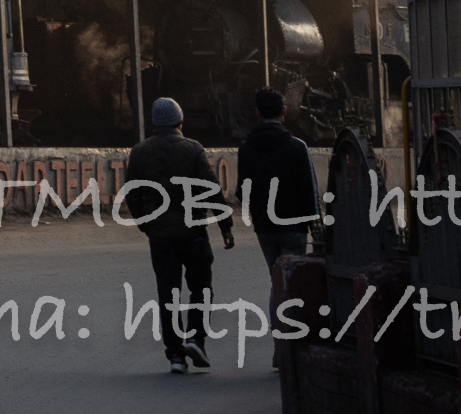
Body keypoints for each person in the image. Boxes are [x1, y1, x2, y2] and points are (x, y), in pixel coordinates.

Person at [126, 95, 228, 371]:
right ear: (180, 121)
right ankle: (196, 338)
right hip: (193, 232)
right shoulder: (192, 148)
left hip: (160, 236)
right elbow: (211, 188)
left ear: (155, 124)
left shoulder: (139, 152)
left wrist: (145, 223)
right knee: (200, 288)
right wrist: (225, 225)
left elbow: (132, 194)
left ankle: (175, 355)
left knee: (168, 294)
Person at [238, 86, 323, 274]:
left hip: (265, 228)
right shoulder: (297, 147)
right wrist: (318, 234)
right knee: (292, 282)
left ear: (257, 111)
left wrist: (257, 213)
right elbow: (310, 193)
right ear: (284, 110)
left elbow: (242, 191)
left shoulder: (246, 148)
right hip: (295, 228)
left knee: (276, 280)